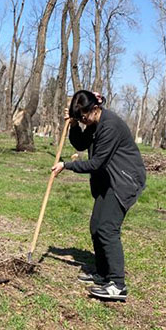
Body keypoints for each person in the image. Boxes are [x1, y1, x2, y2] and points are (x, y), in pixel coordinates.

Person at [51, 89, 146, 300]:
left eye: (84, 117)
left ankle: (117, 284)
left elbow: (96, 163)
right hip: (108, 179)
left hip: (124, 180)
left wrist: (66, 165)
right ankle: (103, 274)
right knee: (96, 226)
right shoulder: (94, 122)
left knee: (107, 228)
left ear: (95, 108)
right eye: (80, 118)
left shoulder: (110, 126)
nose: (84, 121)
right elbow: (81, 144)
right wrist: (74, 127)